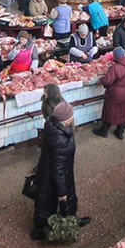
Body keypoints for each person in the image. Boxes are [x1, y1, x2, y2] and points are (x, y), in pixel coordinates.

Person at [31, 101, 90, 240]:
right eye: (71, 115)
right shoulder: (60, 140)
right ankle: (38, 231)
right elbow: (58, 170)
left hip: (54, 172)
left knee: (57, 203)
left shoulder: (52, 124)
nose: (72, 117)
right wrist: (61, 192)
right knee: (49, 205)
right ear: (65, 118)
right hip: (54, 177)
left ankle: (73, 220)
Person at [93, 47, 125, 139]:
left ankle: (103, 131)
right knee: (123, 110)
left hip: (114, 94)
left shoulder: (115, 67)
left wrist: (101, 80)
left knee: (109, 111)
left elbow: (107, 81)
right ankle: (120, 132)